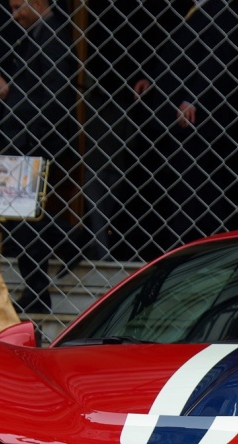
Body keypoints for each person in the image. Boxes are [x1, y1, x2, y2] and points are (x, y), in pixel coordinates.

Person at [0, 0, 81, 315]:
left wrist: (29, 131)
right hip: (25, 138)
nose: (15, 15)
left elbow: (56, 92)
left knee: (22, 216)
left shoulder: (52, 33)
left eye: (20, 7)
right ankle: (67, 243)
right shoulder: (39, 32)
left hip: (34, 140)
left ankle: (41, 281)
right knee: (21, 213)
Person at [141, 0, 238, 255]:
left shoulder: (222, 11)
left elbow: (216, 60)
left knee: (192, 181)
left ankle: (182, 244)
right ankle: (210, 241)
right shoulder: (191, 9)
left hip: (198, 117)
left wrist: (193, 98)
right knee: (194, 182)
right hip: (180, 113)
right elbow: (175, 53)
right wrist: (152, 79)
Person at [80, 1, 157, 263]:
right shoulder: (105, 12)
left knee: (122, 180)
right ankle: (100, 246)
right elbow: (98, 51)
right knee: (101, 179)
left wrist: (147, 75)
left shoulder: (146, 11)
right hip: (106, 99)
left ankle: (105, 245)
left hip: (137, 105)